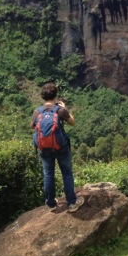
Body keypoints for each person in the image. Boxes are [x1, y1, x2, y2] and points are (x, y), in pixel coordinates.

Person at [30, 82, 84, 213]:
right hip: (61, 148)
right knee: (66, 173)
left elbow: (32, 126)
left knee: (48, 175)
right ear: (55, 95)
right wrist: (65, 109)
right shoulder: (60, 110)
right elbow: (72, 122)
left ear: (43, 96)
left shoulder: (38, 111)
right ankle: (71, 202)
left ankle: (51, 204)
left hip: (44, 148)